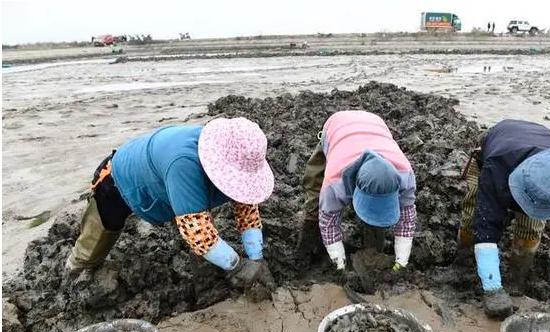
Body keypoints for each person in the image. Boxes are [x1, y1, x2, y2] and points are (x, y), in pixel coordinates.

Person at [65, 118, 276, 289]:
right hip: (118, 181)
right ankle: (73, 272)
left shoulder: (237, 158)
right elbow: (198, 233)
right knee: (99, 233)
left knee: (191, 219)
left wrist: (256, 259)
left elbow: (247, 210)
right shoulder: (184, 164)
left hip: (164, 183)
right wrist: (238, 267)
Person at [457, 120, 550, 319]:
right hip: (499, 145)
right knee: (471, 216)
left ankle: (516, 279)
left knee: (530, 229)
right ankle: (463, 262)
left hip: (542, 147)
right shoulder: (497, 166)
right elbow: (485, 223)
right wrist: (492, 289)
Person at [296, 110, 417, 277]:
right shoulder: (334, 182)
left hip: (376, 126)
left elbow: (407, 220)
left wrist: (401, 262)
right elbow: (329, 223)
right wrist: (339, 264)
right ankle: (307, 245)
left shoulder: (405, 176)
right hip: (337, 128)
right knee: (316, 192)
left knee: (376, 218)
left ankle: (372, 252)